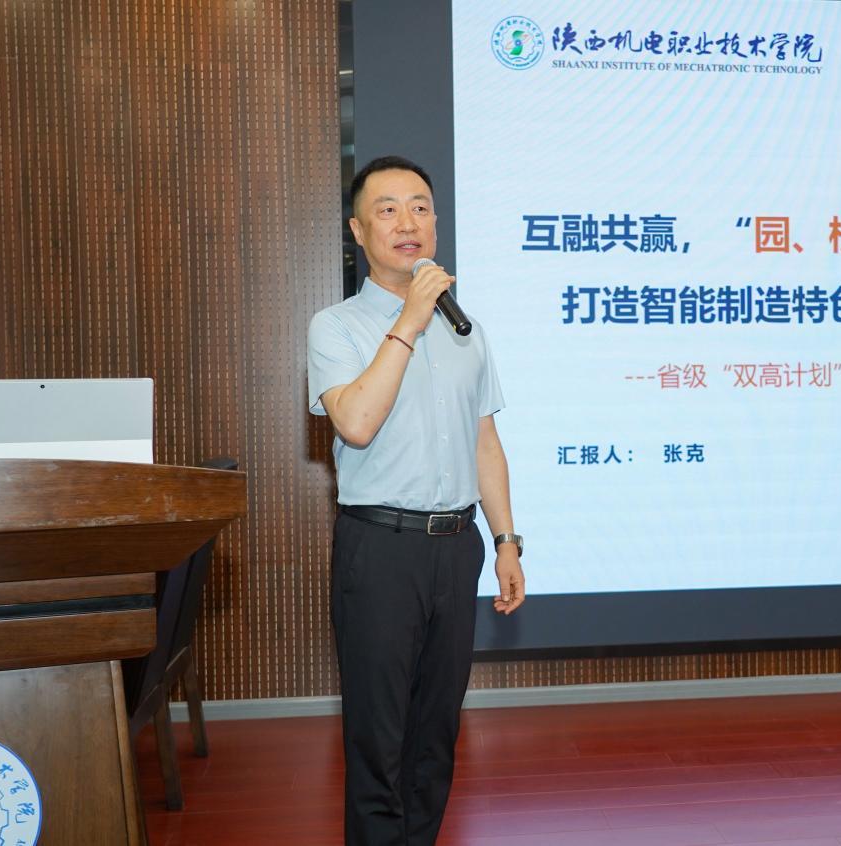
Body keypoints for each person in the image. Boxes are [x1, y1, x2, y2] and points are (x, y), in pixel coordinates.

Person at [307, 155, 526, 845]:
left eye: (421, 207)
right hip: (380, 550)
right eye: (388, 209)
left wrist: (507, 541)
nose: (409, 222)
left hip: (455, 549)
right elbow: (355, 422)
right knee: (379, 738)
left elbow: (484, 442)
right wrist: (409, 319)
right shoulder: (335, 327)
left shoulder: (468, 331)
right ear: (358, 231)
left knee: (435, 735)